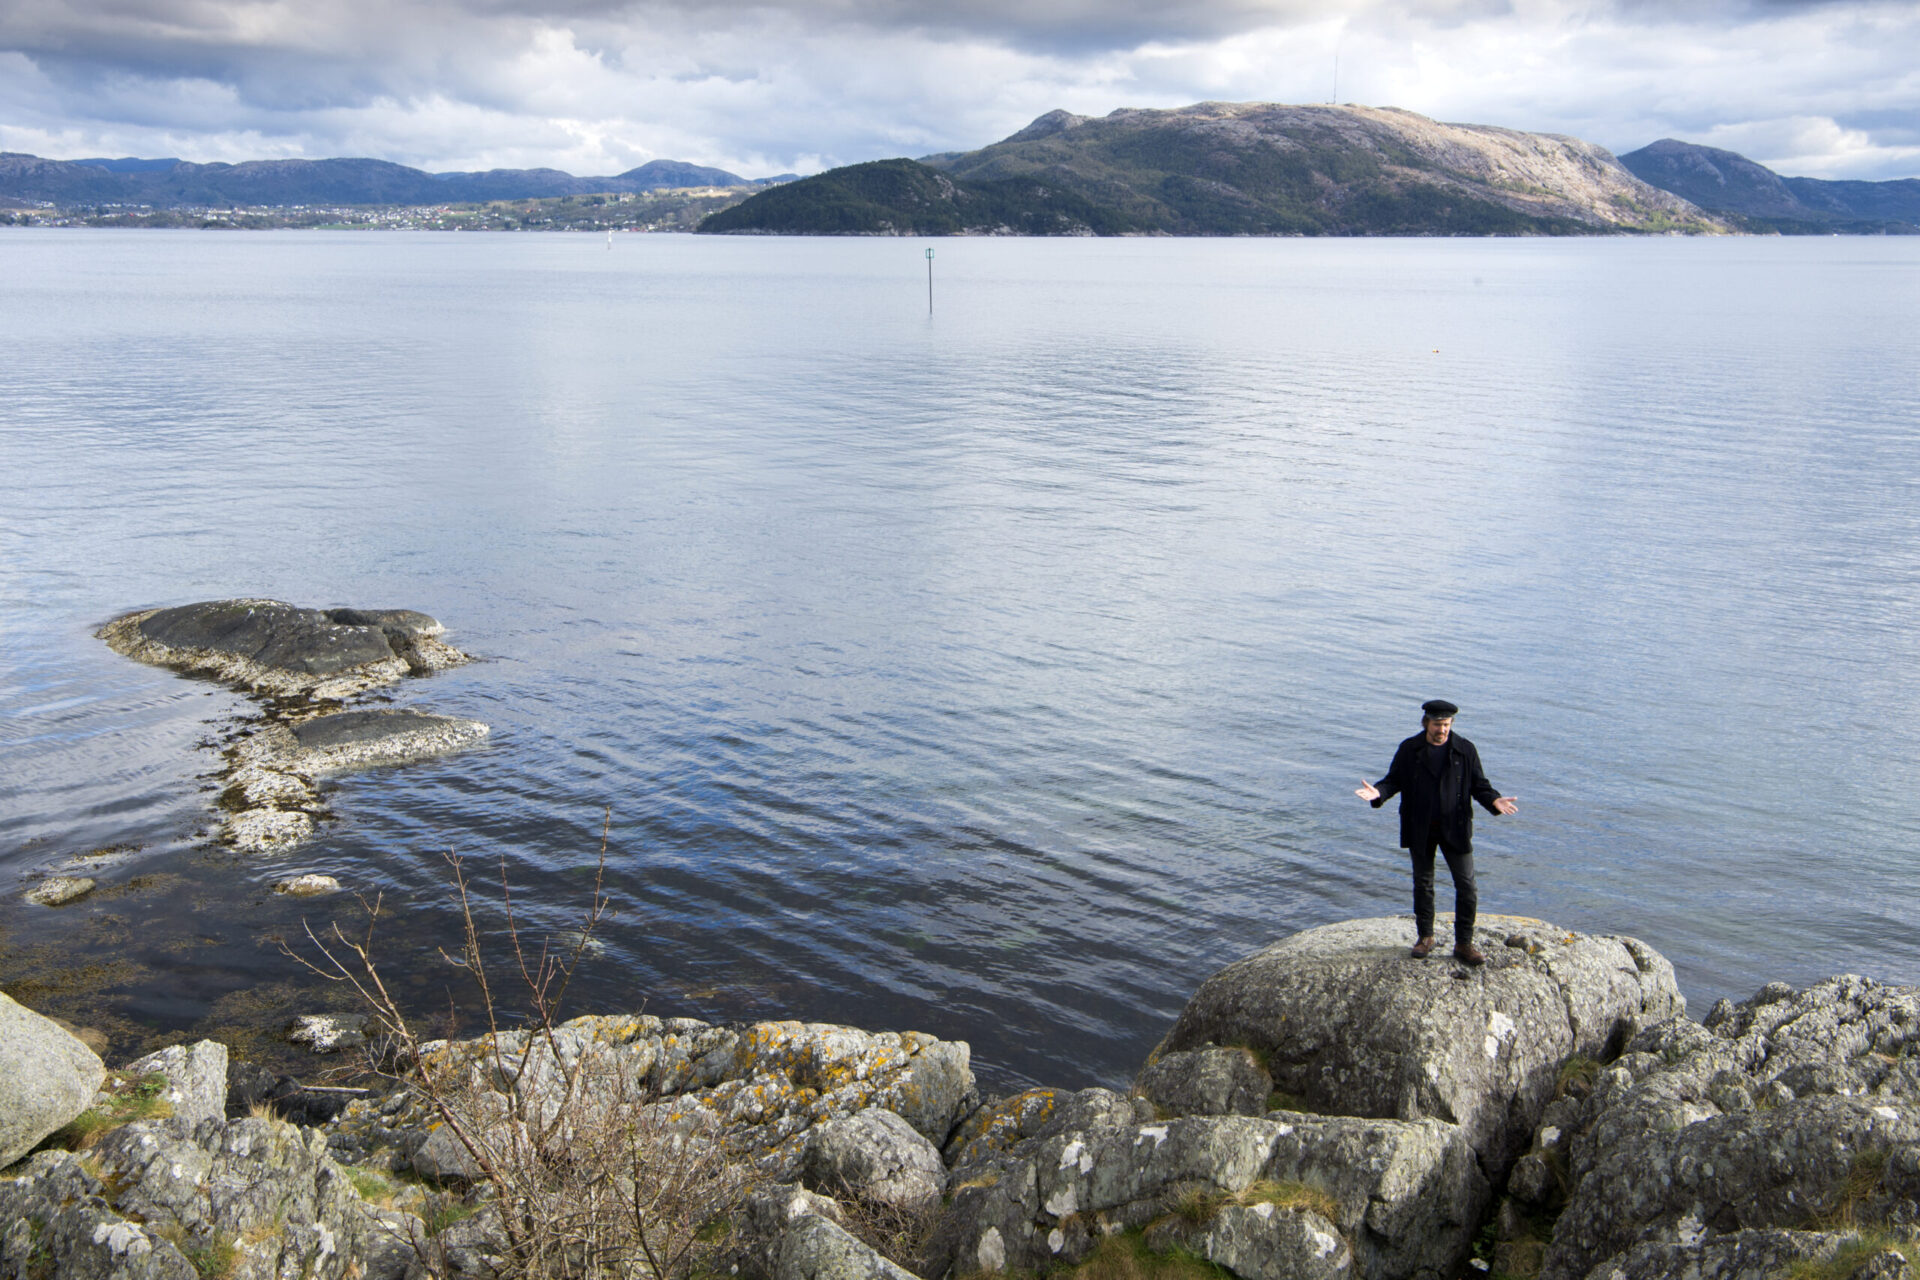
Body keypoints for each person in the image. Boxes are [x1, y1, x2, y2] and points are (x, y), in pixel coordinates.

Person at [1355, 699, 1518, 965]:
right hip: (1420, 827)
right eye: (1437, 724)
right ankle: (1425, 938)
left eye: (1446, 724)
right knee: (1423, 883)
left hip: (1455, 828)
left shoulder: (1465, 750)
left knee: (1467, 886)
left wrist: (1494, 801)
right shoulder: (1410, 749)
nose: (1441, 730)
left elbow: (1480, 785)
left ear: (1451, 724)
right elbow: (1393, 780)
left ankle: (1464, 944)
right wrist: (1378, 793)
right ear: (1426, 723)